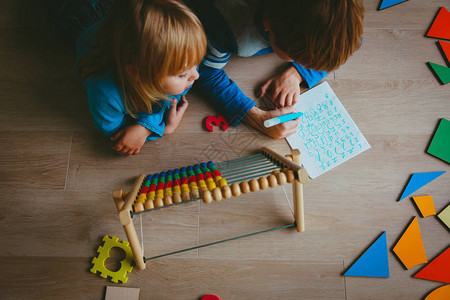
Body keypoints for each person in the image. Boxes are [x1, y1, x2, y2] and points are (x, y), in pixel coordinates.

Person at [47, 0, 207, 155]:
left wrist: (147, 125)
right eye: (183, 74)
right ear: (138, 74)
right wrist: (158, 129)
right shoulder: (106, 94)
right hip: (76, 11)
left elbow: (172, 94)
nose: (196, 75)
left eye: (196, 64)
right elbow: (119, 135)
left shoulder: (183, 63)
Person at [188, 0, 365, 139]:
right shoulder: (224, 24)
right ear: (268, 25)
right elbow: (203, 72)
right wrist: (255, 117)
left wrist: (297, 73)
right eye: (299, 59)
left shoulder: (342, 13)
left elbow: (354, 39)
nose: (304, 64)